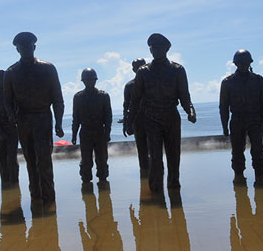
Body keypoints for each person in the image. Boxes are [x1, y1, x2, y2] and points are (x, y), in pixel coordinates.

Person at [127, 34, 197, 193]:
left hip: (171, 116)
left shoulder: (177, 70)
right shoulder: (143, 72)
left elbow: (185, 96)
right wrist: (129, 121)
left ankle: (174, 188)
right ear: (150, 50)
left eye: (158, 47)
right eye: (152, 48)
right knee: (155, 158)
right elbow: (135, 99)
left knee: (174, 156)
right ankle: (155, 191)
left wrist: (190, 111)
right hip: (151, 118)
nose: (155, 50)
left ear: (166, 49)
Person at [3, 32, 65, 204]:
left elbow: (57, 99)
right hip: (23, 119)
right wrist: (10, 115)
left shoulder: (48, 68)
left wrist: (58, 123)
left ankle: (49, 200)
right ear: (18, 50)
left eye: (29, 46)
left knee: (45, 162)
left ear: (34, 47)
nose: (26, 50)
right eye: (22, 47)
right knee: (31, 162)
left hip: (43, 117)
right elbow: (7, 100)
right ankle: (36, 198)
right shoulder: (11, 72)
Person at [219, 49, 263, 187]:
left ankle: (260, 179)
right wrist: (224, 127)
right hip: (237, 121)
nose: (243, 65)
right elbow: (223, 107)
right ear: (235, 64)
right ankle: (239, 179)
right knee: (237, 152)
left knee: (258, 151)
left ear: (250, 63)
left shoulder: (258, 80)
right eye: (240, 63)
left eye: (246, 62)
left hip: (255, 120)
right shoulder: (227, 82)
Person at [71, 68, 112, 185]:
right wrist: (74, 135)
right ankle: (86, 184)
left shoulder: (103, 96)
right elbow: (76, 118)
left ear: (95, 80)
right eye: (87, 80)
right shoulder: (78, 97)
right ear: (83, 81)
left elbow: (108, 117)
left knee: (102, 160)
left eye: (91, 80)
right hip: (85, 132)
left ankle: (103, 184)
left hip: (100, 131)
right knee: (86, 162)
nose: (89, 82)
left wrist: (107, 133)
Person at [122, 58, 149, 176]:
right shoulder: (129, 86)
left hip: (153, 120)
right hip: (137, 122)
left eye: (141, 66)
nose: (139, 69)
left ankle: (156, 173)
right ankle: (144, 175)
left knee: (155, 150)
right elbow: (126, 105)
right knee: (142, 150)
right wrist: (126, 123)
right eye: (137, 67)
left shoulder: (152, 82)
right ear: (133, 70)